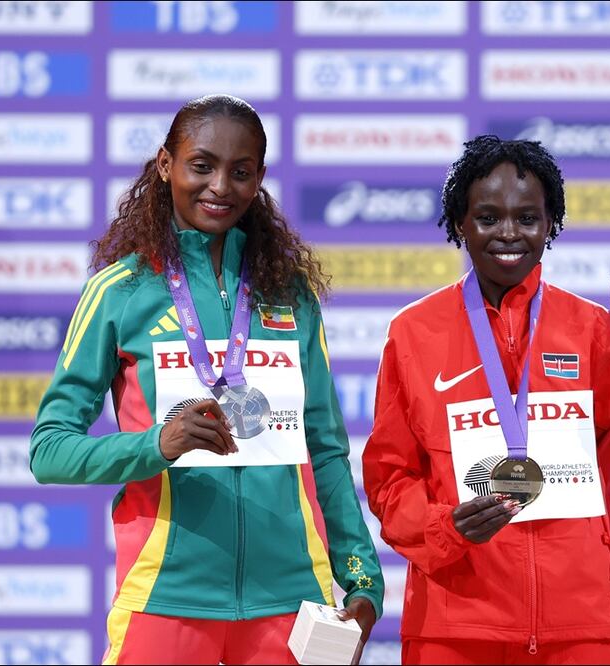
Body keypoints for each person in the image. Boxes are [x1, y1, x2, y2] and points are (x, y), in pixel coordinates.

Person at [30, 94, 383, 665]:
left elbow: (325, 450)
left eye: (240, 172)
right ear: (167, 165)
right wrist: (156, 444)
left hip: (293, 596)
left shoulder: (288, 294)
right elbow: (49, 451)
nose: (220, 185)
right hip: (166, 592)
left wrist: (363, 579)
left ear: (259, 179)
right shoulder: (119, 292)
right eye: (202, 165)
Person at [362, 135, 610, 665]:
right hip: (454, 629)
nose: (509, 234)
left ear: (550, 223)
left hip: (580, 630)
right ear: (460, 224)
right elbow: (389, 477)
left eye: (528, 217)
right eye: (488, 217)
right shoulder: (413, 333)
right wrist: (443, 529)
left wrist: (599, 573)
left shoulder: (592, 331)